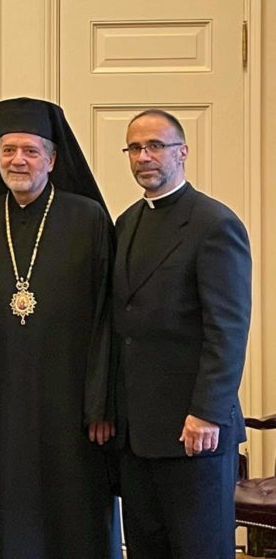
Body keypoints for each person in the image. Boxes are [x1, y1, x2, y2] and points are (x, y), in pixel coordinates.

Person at [0, 97, 118, 559]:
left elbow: (109, 317)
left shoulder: (88, 218)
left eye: (31, 151)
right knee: (2, 511)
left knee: (71, 513)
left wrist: (101, 403)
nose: (18, 160)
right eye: (8, 150)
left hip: (69, 403)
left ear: (52, 160)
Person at [112, 109, 251, 559]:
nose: (144, 157)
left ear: (182, 152)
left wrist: (207, 412)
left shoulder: (214, 223)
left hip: (195, 428)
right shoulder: (127, 222)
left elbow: (227, 328)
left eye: (156, 146)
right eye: (134, 147)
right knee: (147, 549)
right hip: (138, 432)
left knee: (199, 550)